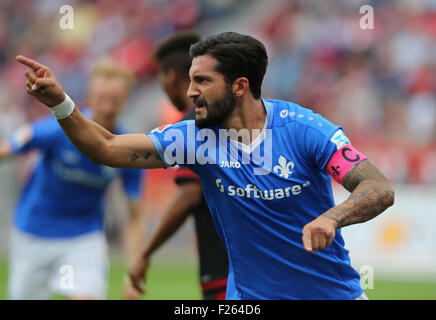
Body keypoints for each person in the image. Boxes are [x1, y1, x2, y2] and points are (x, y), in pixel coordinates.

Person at [16, 31, 395, 300]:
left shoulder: (305, 130)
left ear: (239, 86)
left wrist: (332, 218)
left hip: (333, 295)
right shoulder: (195, 139)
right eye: (190, 79)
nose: (189, 91)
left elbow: (378, 188)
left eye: (202, 81)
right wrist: (60, 104)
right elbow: (106, 147)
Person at [0, 59, 145, 300]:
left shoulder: (128, 147)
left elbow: (133, 216)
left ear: (126, 101)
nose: (108, 107)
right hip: (34, 233)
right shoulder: (57, 129)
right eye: (102, 99)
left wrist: (134, 270)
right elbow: (9, 149)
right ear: (90, 96)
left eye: (115, 100)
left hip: (84, 237)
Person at [137, 31, 228, 300]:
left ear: (172, 76)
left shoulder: (193, 125)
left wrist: (146, 251)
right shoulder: (228, 117)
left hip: (224, 268)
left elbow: (189, 195)